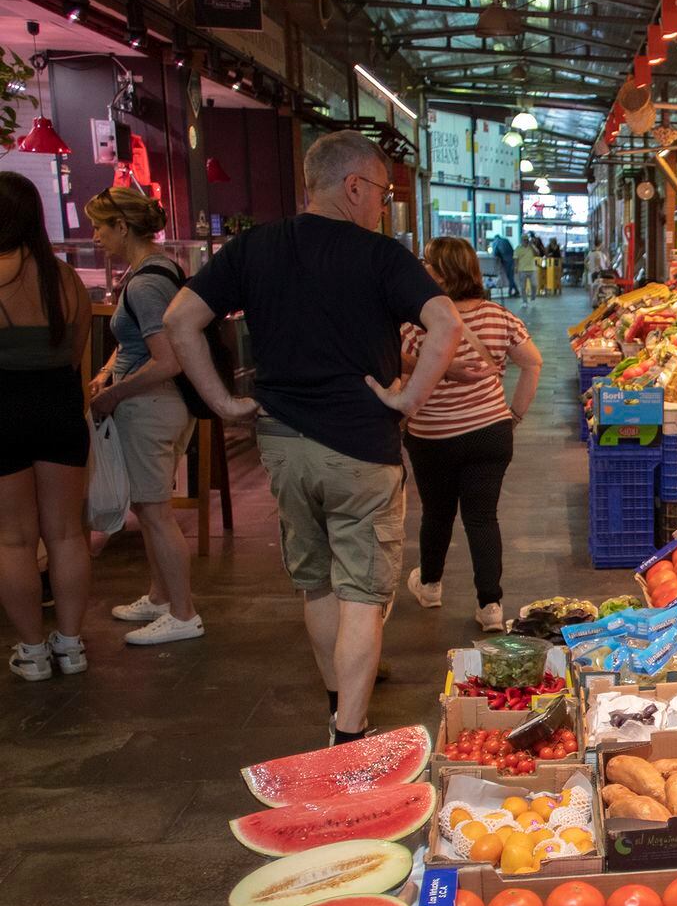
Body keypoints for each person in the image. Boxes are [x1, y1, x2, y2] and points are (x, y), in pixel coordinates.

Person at [163, 130, 466, 744]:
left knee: (317, 582)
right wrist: (408, 399)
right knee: (361, 593)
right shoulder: (382, 256)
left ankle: (336, 700)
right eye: (381, 191)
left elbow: (179, 321)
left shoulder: (253, 248)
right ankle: (350, 732)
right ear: (353, 186)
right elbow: (447, 323)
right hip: (361, 448)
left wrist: (220, 403)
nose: (381, 205)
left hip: (282, 443)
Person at [401, 237, 542, 632]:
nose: (422, 270)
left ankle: (430, 586)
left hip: (433, 437)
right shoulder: (500, 317)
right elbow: (532, 364)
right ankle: (491, 607)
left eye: (428, 264)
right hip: (489, 432)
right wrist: (513, 414)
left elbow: (402, 368)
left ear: (442, 273)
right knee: (482, 518)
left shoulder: (420, 323)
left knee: (437, 512)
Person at [83, 186, 201, 646]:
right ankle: (159, 595)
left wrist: (114, 395)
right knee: (150, 507)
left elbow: (167, 358)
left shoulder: (146, 281)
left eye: (99, 226)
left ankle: (184, 612)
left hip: (151, 407)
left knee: (154, 513)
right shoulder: (159, 269)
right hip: (160, 405)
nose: (95, 236)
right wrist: (110, 370)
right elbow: (137, 343)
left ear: (122, 226)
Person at [0, 171, 92, 680]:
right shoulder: (65, 279)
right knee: (64, 534)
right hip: (58, 406)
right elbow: (76, 352)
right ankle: (72, 646)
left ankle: (32, 652)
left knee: (12, 539)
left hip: (2, 409)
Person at [487, 231, 517, 296]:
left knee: (509, 276)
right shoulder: (506, 240)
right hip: (512, 259)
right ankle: (516, 290)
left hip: (506, 260)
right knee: (510, 276)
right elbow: (512, 249)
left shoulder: (496, 242)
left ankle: (510, 291)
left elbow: (495, 253)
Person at [513, 236, 539, 302]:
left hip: (532, 269)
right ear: (521, 240)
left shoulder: (531, 247)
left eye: (527, 240)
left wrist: (532, 246)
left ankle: (533, 297)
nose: (526, 241)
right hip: (522, 269)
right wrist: (516, 267)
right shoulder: (518, 248)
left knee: (534, 284)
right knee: (523, 287)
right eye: (524, 240)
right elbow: (516, 258)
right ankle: (524, 301)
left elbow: (537, 253)